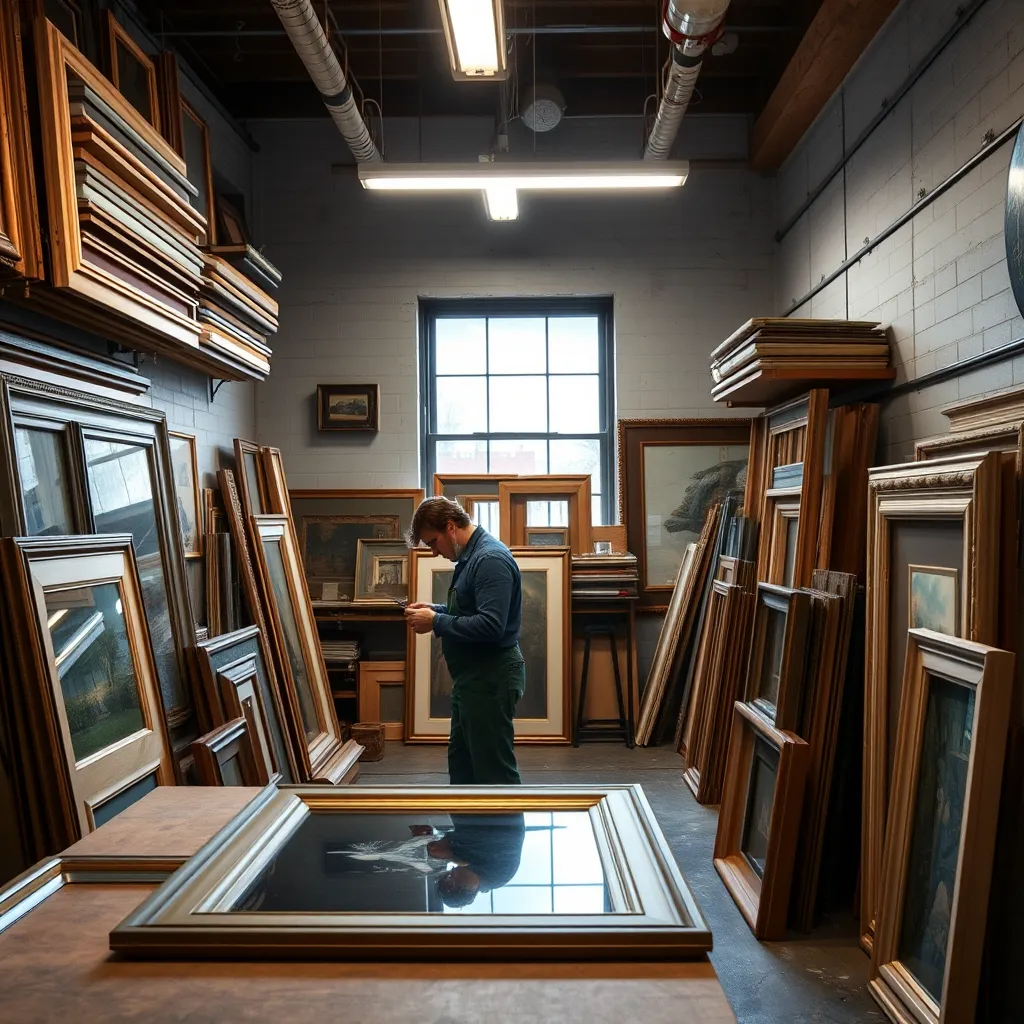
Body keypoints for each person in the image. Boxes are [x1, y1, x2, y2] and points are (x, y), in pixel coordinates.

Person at [405, 496, 524, 785]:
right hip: (472, 682)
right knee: (464, 770)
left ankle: (505, 831)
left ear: (450, 527)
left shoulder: (489, 560)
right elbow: (472, 612)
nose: (433, 552)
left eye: (433, 542)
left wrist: (436, 622)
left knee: (494, 773)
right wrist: (437, 610)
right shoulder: (472, 557)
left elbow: (492, 626)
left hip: (490, 679)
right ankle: (470, 831)